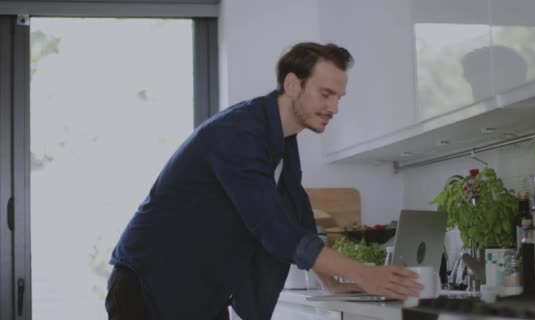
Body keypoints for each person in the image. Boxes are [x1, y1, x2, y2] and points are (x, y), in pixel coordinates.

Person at [105, 42, 423, 320]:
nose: (334, 108)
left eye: (339, 97)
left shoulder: (283, 140)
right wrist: (363, 273)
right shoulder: (239, 133)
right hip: (150, 284)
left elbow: (296, 213)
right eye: (326, 94)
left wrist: (331, 282)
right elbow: (271, 226)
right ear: (292, 84)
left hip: (201, 290)